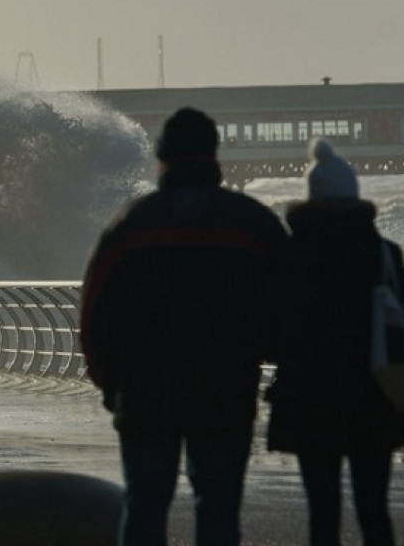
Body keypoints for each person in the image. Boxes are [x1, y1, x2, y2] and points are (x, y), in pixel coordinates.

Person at [79, 107, 287, 546]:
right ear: (214, 156)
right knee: (218, 508)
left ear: (162, 157)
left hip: (145, 391)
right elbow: (291, 308)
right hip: (226, 389)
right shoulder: (253, 222)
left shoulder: (132, 223)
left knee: (145, 506)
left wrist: (110, 382)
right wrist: (265, 358)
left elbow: (95, 310)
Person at [265, 139, 404, 546]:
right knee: (374, 509)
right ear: (355, 196)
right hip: (375, 392)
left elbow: (275, 327)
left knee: (323, 512)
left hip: (310, 396)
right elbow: (402, 314)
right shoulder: (385, 253)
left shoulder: (290, 255)